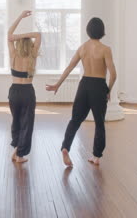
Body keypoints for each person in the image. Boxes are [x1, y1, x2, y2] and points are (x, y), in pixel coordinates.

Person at [46, 17, 117, 167]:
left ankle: (65, 147)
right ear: (102, 31)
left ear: (88, 31)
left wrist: (57, 84)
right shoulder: (105, 49)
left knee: (75, 120)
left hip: (84, 85)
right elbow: (113, 74)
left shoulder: (82, 48)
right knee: (99, 123)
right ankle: (96, 156)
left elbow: (70, 67)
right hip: (98, 86)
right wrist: (108, 90)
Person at [7, 10, 42, 163]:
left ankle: (16, 146)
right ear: (30, 43)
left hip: (14, 91)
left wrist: (20, 16)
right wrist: (25, 35)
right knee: (27, 123)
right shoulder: (32, 55)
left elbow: (9, 34)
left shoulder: (13, 54)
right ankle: (19, 154)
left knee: (16, 120)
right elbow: (39, 35)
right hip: (27, 91)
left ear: (18, 43)